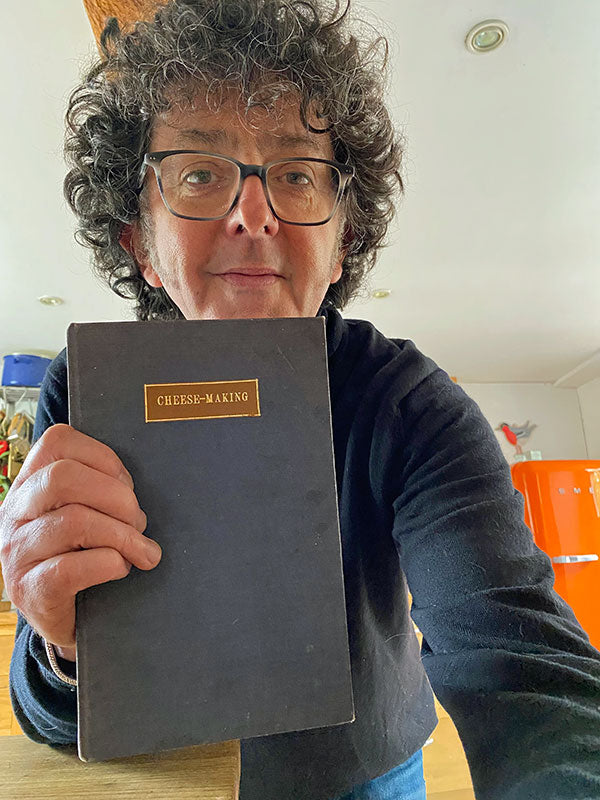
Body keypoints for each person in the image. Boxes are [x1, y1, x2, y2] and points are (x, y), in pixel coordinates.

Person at [1, 1, 599, 798]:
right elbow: (48, 714)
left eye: (294, 173)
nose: (255, 213)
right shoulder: (84, 388)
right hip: (167, 774)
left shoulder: (407, 403)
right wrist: (61, 647)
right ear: (139, 243)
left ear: (342, 238)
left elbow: (519, 654)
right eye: (200, 172)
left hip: (370, 771)